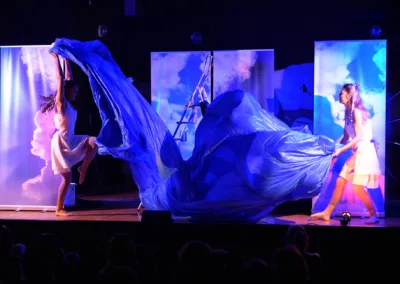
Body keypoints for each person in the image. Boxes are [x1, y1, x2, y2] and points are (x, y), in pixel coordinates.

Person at [311, 83, 380, 223]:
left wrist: (341, 151)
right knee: (344, 182)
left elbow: (359, 137)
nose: (339, 95)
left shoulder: (356, 112)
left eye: (341, 93)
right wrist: (334, 153)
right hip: (358, 152)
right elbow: (345, 138)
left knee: (352, 185)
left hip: (364, 152)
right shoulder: (348, 112)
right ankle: (328, 212)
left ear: (349, 95)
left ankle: (373, 214)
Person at [41, 52, 98, 216]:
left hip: (71, 139)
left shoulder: (71, 104)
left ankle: (84, 168)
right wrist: (55, 59)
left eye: (76, 91)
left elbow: (68, 77)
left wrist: (66, 58)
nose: (75, 93)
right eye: (73, 91)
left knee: (94, 142)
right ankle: (59, 209)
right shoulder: (61, 104)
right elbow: (61, 80)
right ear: (66, 92)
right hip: (61, 143)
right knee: (66, 179)